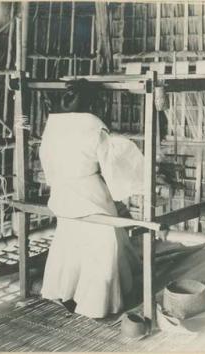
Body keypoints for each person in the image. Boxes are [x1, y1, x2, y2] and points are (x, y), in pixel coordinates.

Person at [39, 80, 142, 318]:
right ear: (90, 102)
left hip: (63, 193)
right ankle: (96, 303)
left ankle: (67, 291)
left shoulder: (53, 124)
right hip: (88, 192)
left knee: (71, 240)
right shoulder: (93, 126)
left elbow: (48, 160)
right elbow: (111, 164)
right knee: (104, 242)